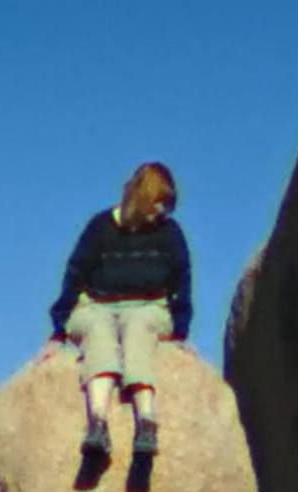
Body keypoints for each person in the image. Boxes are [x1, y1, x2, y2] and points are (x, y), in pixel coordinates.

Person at [48, 161, 192, 461]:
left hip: (150, 306)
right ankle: (98, 424)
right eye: (158, 201)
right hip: (97, 305)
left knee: (138, 327)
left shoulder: (169, 232)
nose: (162, 210)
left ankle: (146, 423)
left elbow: (182, 281)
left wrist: (180, 330)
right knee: (98, 331)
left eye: (167, 204)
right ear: (142, 196)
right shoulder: (101, 226)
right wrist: (59, 329)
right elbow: (75, 274)